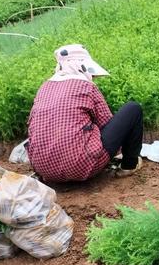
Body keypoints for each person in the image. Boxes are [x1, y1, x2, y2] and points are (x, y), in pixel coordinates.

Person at [27, 44, 143, 183]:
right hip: (82, 166)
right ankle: (129, 166)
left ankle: (56, 166)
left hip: (44, 170)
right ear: (82, 66)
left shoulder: (44, 88)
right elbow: (105, 123)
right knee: (133, 108)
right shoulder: (86, 87)